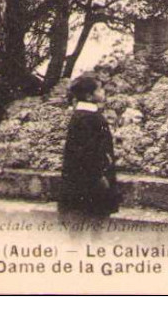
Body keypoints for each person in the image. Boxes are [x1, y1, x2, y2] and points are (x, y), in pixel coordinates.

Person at [57, 75, 120, 234]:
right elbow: (88, 151)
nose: (103, 91)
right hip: (92, 179)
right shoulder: (89, 118)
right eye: (99, 88)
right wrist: (100, 175)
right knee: (93, 219)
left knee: (82, 219)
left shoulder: (82, 116)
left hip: (83, 178)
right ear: (89, 96)